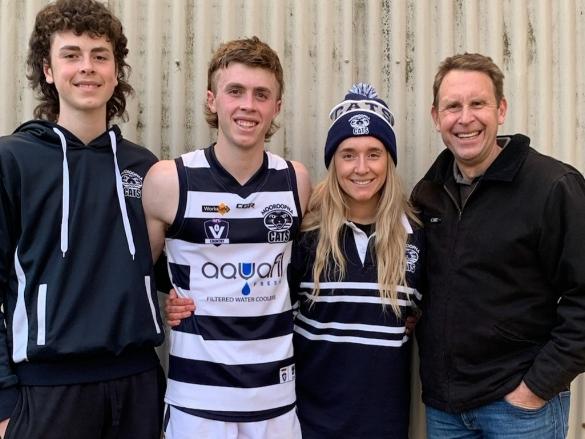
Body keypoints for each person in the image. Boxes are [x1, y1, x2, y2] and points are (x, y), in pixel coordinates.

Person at [0, 1, 166, 438]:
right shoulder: (13, 160)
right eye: (71, 54)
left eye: (100, 55)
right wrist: (4, 402)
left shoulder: (145, 167)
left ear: (116, 70)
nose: (87, 67)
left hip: (138, 386)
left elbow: (163, 269)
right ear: (48, 71)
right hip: (46, 393)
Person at [142, 36, 311, 438]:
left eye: (261, 94)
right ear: (212, 100)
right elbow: (139, 277)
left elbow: (294, 274)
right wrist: (168, 300)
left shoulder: (295, 181)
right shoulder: (170, 181)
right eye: (235, 91)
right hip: (196, 405)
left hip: (275, 401)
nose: (248, 106)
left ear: (277, 107)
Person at [411, 52, 585, 438]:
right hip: (446, 409)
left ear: (501, 109)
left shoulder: (551, 186)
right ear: (436, 116)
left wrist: (536, 388)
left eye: (478, 103)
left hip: (519, 410)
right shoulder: (430, 192)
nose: (465, 118)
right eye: (453, 106)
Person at [290, 83, 424, 438]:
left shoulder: (415, 235)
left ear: (389, 160)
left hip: (385, 426)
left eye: (374, 153)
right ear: (333, 161)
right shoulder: (304, 233)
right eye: (348, 154)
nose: (361, 168)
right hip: (309, 424)